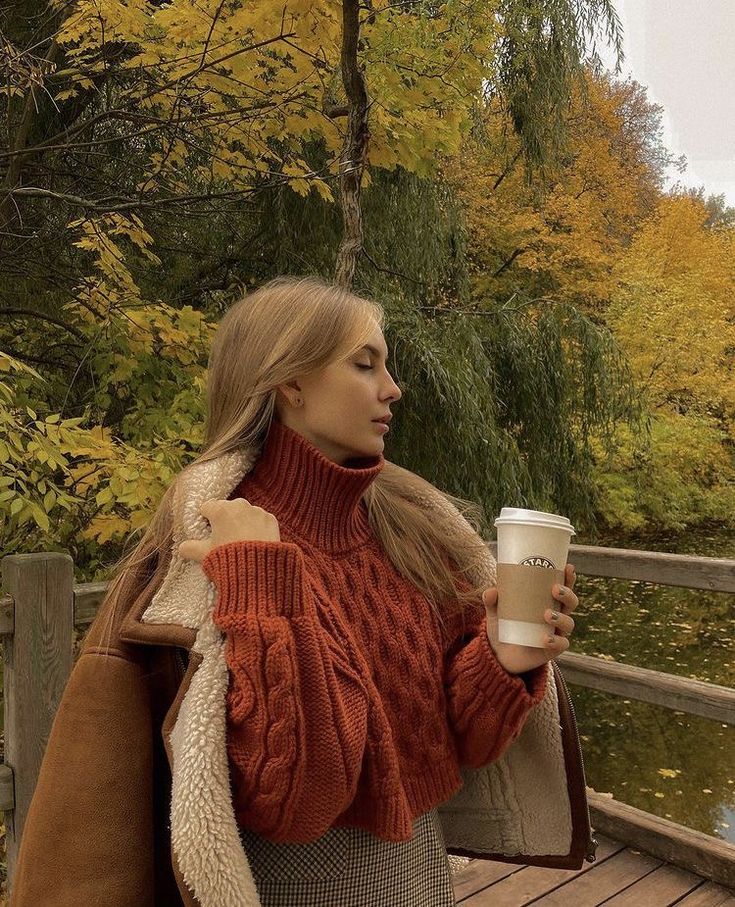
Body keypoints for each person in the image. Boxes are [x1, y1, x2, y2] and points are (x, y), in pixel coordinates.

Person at [10, 275, 592, 907]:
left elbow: (467, 741)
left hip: (423, 866)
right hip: (291, 886)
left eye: (386, 366)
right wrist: (262, 582)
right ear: (289, 382)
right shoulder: (213, 544)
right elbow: (293, 801)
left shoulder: (416, 526)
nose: (392, 389)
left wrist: (508, 663)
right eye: (364, 365)